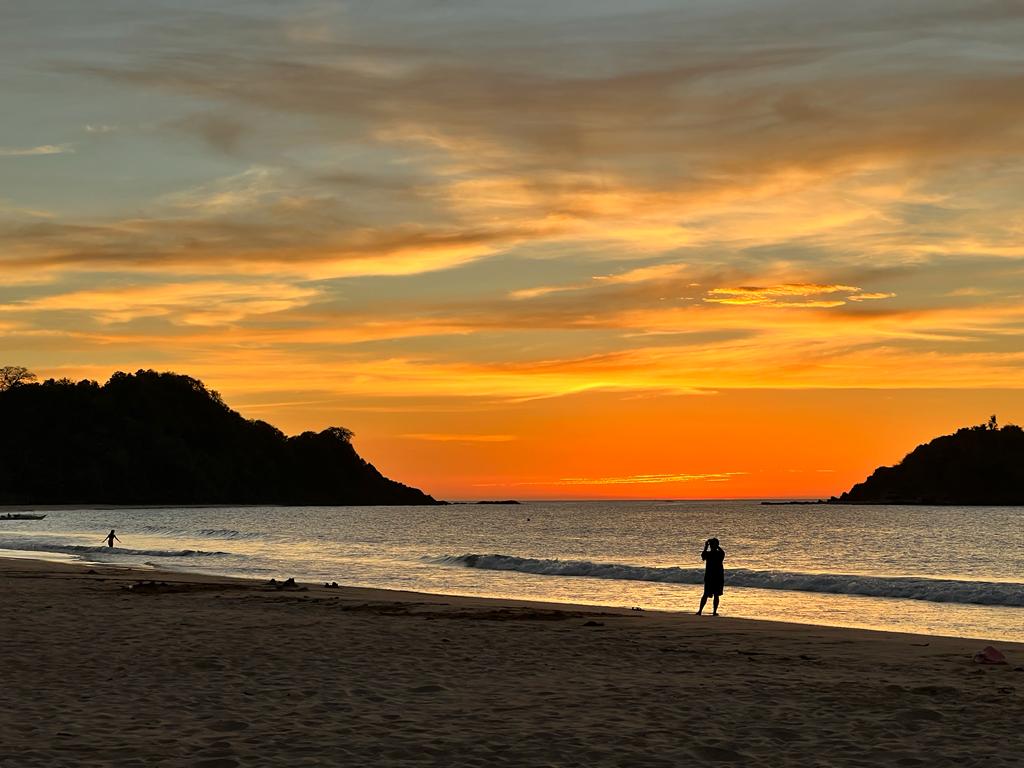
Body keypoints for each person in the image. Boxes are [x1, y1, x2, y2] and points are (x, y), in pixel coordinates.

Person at [697, 537, 725, 616]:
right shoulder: (712, 554)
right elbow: (703, 556)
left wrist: (707, 546)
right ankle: (703, 611)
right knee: (708, 594)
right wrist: (707, 546)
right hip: (712, 576)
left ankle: (704, 611)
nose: (712, 546)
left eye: (712, 545)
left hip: (716, 577)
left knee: (713, 594)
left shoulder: (718, 554)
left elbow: (703, 556)